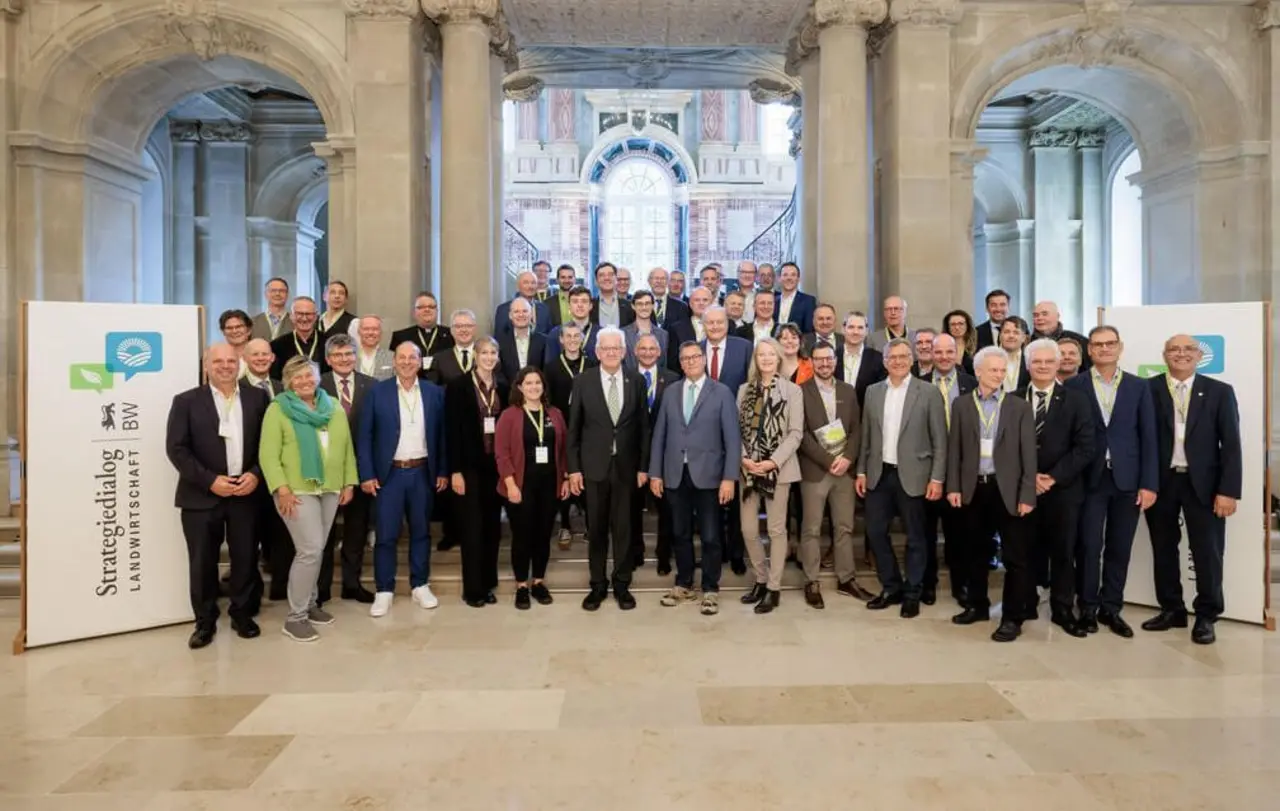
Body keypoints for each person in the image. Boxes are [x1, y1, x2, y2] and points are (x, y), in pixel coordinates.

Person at [164, 343, 270, 649]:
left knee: (245, 558)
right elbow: (177, 450)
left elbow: (269, 443)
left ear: (240, 365)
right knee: (202, 562)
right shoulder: (186, 402)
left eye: (231, 361)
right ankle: (205, 622)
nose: (225, 366)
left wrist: (256, 474)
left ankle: (242, 614)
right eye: (218, 361)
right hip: (201, 496)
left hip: (246, 493)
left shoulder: (256, 397)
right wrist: (210, 481)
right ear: (206, 366)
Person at [1142, 334, 1242, 645]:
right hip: (1162, 482)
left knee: (1207, 551)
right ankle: (1172, 609)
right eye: (1174, 349)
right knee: (1163, 548)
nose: (1181, 354)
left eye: (1188, 349)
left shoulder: (1219, 392)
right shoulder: (1149, 389)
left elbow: (1232, 446)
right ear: (1164, 354)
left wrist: (1229, 491)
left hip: (1205, 485)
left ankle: (1207, 614)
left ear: (1199, 356)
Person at [1065, 325, 1158, 637]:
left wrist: (1149, 484)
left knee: (1120, 548)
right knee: (1089, 546)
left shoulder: (1138, 387)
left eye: (1110, 344)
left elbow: (1149, 438)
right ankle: (1088, 607)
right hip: (1089, 481)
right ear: (1089, 350)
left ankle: (1111, 609)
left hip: (1127, 481)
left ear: (1120, 348)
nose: (1104, 349)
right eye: (1097, 345)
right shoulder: (1074, 385)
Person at [260, 356, 357, 642]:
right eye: (298, 377)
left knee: (318, 549)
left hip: (329, 487)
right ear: (288, 382)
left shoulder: (333, 407)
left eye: (309, 376)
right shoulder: (278, 409)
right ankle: (296, 617)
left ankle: (311, 603)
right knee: (310, 550)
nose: (305, 381)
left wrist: (348, 481)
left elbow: (346, 446)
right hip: (296, 490)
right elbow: (268, 454)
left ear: (318, 377)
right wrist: (281, 489)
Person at [945, 346, 1037, 642]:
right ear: (979, 371)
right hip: (974, 487)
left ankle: (1012, 616)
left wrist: (1027, 494)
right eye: (993, 369)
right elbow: (955, 449)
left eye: (1003, 370)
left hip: (1007, 489)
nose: (999, 374)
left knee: (1015, 557)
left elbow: (1028, 456)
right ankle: (978, 605)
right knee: (975, 552)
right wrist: (954, 486)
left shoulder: (1018, 406)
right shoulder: (961, 404)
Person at [855, 338, 948, 618]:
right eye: (892, 357)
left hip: (916, 475)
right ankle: (891, 586)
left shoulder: (928, 392)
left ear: (912, 359)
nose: (897, 361)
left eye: (903, 356)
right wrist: (860, 470)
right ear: (884, 361)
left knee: (916, 537)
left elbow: (940, 441)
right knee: (875, 532)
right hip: (879, 474)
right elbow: (867, 436)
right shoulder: (872, 392)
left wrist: (937, 478)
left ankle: (912, 592)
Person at [357, 341, 449, 618]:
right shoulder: (378, 392)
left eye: (413, 357)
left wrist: (442, 470)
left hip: (422, 472)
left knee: (421, 532)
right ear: (394, 362)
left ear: (421, 362)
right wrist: (367, 474)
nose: (407, 362)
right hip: (389, 475)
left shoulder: (435, 393)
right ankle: (384, 589)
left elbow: (442, 436)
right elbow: (365, 436)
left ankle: (420, 584)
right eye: (402, 358)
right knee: (386, 535)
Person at [650, 342, 741, 615]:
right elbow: (660, 436)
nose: (690, 362)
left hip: (710, 475)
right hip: (676, 473)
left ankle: (711, 588)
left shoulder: (722, 392)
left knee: (712, 536)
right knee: (680, 533)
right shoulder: (670, 393)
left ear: (703, 359)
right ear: (680, 362)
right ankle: (684, 583)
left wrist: (729, 477)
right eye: (685, 358)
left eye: (695, 357)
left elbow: (732, 439)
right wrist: (656, 472)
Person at [568, 327, 651, 610]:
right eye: (606, 348)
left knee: (624, 529)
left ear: (625, 352)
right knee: (597, 529)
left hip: (627, 469)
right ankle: (597, 585)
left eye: (617, 348)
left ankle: (622, 584)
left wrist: (643, 466)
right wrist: (574, 469)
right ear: (597, 352)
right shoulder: (583, 381)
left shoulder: (636, 380)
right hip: (593, 468)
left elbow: (644, 428)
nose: (612, 352)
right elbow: (574, 429)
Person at [1018, 338, 1095, 637]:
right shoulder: (1011, 398)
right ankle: (1025, 602)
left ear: (1058, 364)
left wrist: (1051, 477)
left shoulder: (1076, 399)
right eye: (1037, 361)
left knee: (1063, 552)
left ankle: (1063, 608)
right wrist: (1030, 476)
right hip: (1023, 488)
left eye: (1049, 361)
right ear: (1028, 365)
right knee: (1024, 549)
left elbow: (1085, 447)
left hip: (1063, 490)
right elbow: (1003, 445)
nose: (1043, 366)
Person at [797, 342, 871, 605]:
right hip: (815, 470)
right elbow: (801, 435)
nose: (824, 364)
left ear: (835, 361)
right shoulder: (800, 392)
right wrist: (829, 460)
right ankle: (811, 581)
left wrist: (848, 458)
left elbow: (856, 429)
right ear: (811, 362)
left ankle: (846, 579)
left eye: (828, 359)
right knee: (811, 529)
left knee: (844, 527)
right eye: (819, 360)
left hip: (844, 472)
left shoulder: (849, 391)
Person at [737, 338, 804, 614]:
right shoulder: (743, 390)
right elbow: (736, 429)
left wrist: (772, 462)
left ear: (778, 358)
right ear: (756, 359)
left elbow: (795, 433)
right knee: (748, 530)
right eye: (760, 354)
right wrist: (744, 458)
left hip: (780, 470)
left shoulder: (792, 391)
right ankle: (761, 578)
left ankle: (774, 587)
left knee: (776, 531)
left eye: (770, 354)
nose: (765, 359)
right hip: (748, 471)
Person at [496, 367, 569, 609]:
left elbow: (564, 450)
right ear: (519, 387)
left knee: (542, 535)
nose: (534, 387)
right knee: (522, 537)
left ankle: (538, 581)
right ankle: (521, 586)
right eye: (529, 383)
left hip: (549, 485)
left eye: (538, 383)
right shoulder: (509, 415)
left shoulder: (555, 414)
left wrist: (566, 478)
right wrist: (510, 484)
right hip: (520, 485)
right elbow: (502, 454)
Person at [446, 337, 508, 608]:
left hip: (495, 468)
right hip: (468, 468)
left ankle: (488, 583)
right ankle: (473, 589)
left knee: (492, 528)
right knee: (472, 529)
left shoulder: (504, 386)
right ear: (475, 355)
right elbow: (451, 431)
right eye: (484, 352)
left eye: (493, 352)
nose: (489, 357)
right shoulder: (459, 386)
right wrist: (455, 471)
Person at [317, 334, 376, 604]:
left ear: (356, 355)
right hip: (323, 471)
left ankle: (352, 584)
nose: (344, 359)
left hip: (361, 470)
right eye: (338, 355)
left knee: (356, 530)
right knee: (324, 533)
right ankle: (321, 587)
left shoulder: (372, 386)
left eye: (349, 354)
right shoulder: (316, 387)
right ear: (328, 359)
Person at [923, 333, 977, 605]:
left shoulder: (972, 384)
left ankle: (961, 584)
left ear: (957, 353)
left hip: (960, 471)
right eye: (938, 352)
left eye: (949, 351)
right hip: (927, 471)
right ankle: (928, 584)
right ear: (930, 354)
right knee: (926, 533)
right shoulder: (918, 385)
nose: (944, 356)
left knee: (960, 534)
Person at [701, 306, 752, 575]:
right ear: (703, 325)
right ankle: (715, 550)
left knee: (735, 499)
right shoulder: (695, 350)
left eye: (720, 322)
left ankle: (736, 553)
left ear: (727, 324)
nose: (716, 326)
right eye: (710, 323)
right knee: (709, 496)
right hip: (704, 435)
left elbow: (750, 386)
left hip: (735, 430)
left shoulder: (743, 347)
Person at [630, 334, 680, 574]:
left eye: (653, 348)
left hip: (665, 451)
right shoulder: (627, 377)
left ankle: (663, 555)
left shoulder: (673, 378)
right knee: (632, 506)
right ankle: (636, 550)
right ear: (635, 352)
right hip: (634, 451)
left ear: (659, 353)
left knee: (667, 509)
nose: (648, 352)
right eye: (643, 348)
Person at [544, 322, 594, 549]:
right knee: (563, 474)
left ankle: (591, 524)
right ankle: (565, 523)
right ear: (561, 340)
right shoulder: (551, 368)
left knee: (588, 474)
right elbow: (548, 401)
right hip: (562, 428)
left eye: (577, 336)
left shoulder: (592, 365)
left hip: (589, 429)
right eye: (568, 336)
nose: (573, 340)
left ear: (582, 339)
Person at [389, 292, 455, 376]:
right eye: (421, 307)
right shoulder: (400, 337)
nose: (427, 310)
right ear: (414, 312)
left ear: (437, 311)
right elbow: (394, 367)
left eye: (431, 307)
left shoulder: (451, 334)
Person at [270, 296, 327, 379]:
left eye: (308, 314)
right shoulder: (277, 346)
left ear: (315, 316)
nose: (304, 318)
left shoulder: (328, 342)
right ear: (291, 316)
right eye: (299, 314)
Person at [837, 310, 885, 407]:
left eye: (860, 328)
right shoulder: (832, 357)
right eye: (851, 327)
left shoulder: (878, 359)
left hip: (866, 416)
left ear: (866, 331)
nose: (855, 332)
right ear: (843, 329)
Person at [544, 286, 599, 364]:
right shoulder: (555, 334)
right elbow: (549, 366)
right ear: (569, 306)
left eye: (584, 301)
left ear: (590, 306)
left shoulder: (601, 333)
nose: (580, 305)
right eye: (575, 301)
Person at [497, 297, 547, 383]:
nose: (521, 315)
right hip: (508, 394)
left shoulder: (544, 341)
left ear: (531, 314)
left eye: (525, 311)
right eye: (516, 311)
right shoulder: (499, 342)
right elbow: (498, 373)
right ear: (510, 315)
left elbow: (546, 372)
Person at [1031, 301, 1090, 370]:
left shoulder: (1079, 341)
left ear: (1057, 316)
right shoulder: (1027, 342)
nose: (1039, 318)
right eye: (1036, 315)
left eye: (1044, 314)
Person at [666, 287, 714, 369]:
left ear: (711, 303)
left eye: (705, 300)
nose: (701, 303)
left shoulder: (722, 326)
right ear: (690, 304)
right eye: (697, 300)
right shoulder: (676, 329)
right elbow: (673, 363)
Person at [429, 308, 479, 387]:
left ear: (475, 329)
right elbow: (433, 389)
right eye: (458, 326)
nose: (464, 330)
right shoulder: (439, 359)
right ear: (451, 330)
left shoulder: (487, 355)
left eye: (468, 326)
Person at [494, 270, 554, 335]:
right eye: (526, 283)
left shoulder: (544, 309)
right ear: (518, 286)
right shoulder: (504, 309)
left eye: (533, 283)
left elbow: (549, 335)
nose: (530, 286)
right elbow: (499, 337)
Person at [622, 289, 669, 363]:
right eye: (639, 304)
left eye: (647, 303)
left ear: (653, 306)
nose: (644, 307)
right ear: (633, 306)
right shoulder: (623, 334)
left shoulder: (663, 335)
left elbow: (663, 364)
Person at [774, 262, 816, 334]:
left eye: (793, 275)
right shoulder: (773, 301)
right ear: (779, 279)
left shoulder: (808, 301)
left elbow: (809, 330)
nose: (789, 278)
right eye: (785, 275)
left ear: (798, 279)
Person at [591, 262, 636, 328]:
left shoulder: (630, 306)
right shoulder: (589, 306)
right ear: (596, 282)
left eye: (610, 274)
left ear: (616, 279)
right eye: (601, 275)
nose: (606, 278)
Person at [354, 315, 395, 381]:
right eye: (366, 329)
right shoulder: (349, 356)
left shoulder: (393, 357)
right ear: (359, 332)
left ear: (381, 332)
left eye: (375, 329)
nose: (370, 333)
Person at [252, 276, 292, 341]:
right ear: (265, 294)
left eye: (281, 291)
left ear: (287, 295)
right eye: (273, 290)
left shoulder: (295, 322)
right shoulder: (252, 323)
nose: (277, 294)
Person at [998, 316, 1032, 393]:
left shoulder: (1031, 361)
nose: (1011, 336)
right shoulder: (988, 359)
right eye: (1006, 332)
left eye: (1016, 332)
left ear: (1023, 338)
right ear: (1000, 336)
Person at [219, 309, 253, 376]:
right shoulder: (218, 357)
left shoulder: (261, 356)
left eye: (239, 327)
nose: (234, 331)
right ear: (223, 332)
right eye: (229, 328)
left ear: (249, 330)